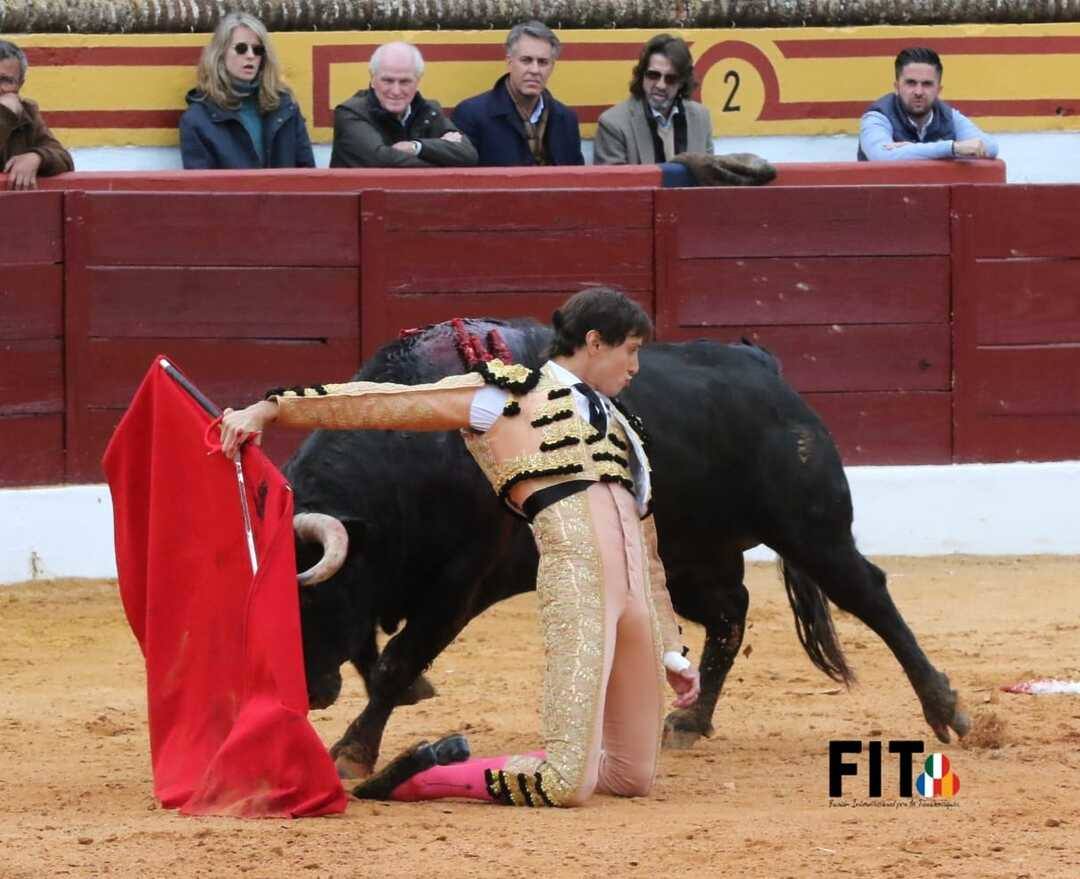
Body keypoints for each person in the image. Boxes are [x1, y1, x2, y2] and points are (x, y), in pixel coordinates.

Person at [220, 287, 700, 808]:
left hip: (633, 602)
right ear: (594, 342)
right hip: (580, 585)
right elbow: (383, 403)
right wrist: (272, 409)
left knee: (632, 777)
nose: (636, 367)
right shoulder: (505, 395)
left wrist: (670, 646)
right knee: (566, 785)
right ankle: (422, 778)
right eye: (631, 350)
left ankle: (565, 754)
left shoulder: (624, 427)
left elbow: (645, 542)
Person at [179, 12, 315, 170]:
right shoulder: (198, 119)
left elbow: (307, 175)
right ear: (220, 53)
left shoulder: (285, 107)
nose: (250, 56)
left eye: (257, 50)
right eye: (241, 48)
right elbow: (202, 188)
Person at [452, 21, 584, 167]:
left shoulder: (566, 119)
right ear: (509, 62)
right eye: (526, 60)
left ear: (552, 66)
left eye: (543, 62)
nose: (535, 70)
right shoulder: (472, 115)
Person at [330, 41, 477, 168]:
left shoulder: (429, 111)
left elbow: (468, 155)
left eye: (405, 82)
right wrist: (443, 161)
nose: (395, 91)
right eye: (387, 80)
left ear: (418, 82)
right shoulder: (350, 113)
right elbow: (383, 162)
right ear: (373, 79)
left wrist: (415, 147)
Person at [857, 47, 999, 162]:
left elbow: (990, 147)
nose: (918, 92)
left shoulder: (948, 116)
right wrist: (952, 148)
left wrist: (913, 150)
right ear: (896, 87)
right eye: (911, 83)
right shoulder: (876, 117)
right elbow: (882, 157)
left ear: (938, 90)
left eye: (927, 84)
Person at [594, 34, 714, 166]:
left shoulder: (701, 119)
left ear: (681, 82)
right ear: (642, 75)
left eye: (670, 78)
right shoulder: (613, 124)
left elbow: (708, 179)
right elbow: (614, 183)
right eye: (653, 75)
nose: (660, 85)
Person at [0, 39, 73, 190]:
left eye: (5, 81)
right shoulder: (10, 111)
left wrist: (37, 157)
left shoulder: (27, 113)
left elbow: (65, 159)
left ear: (20, 84)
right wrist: (5, 115)